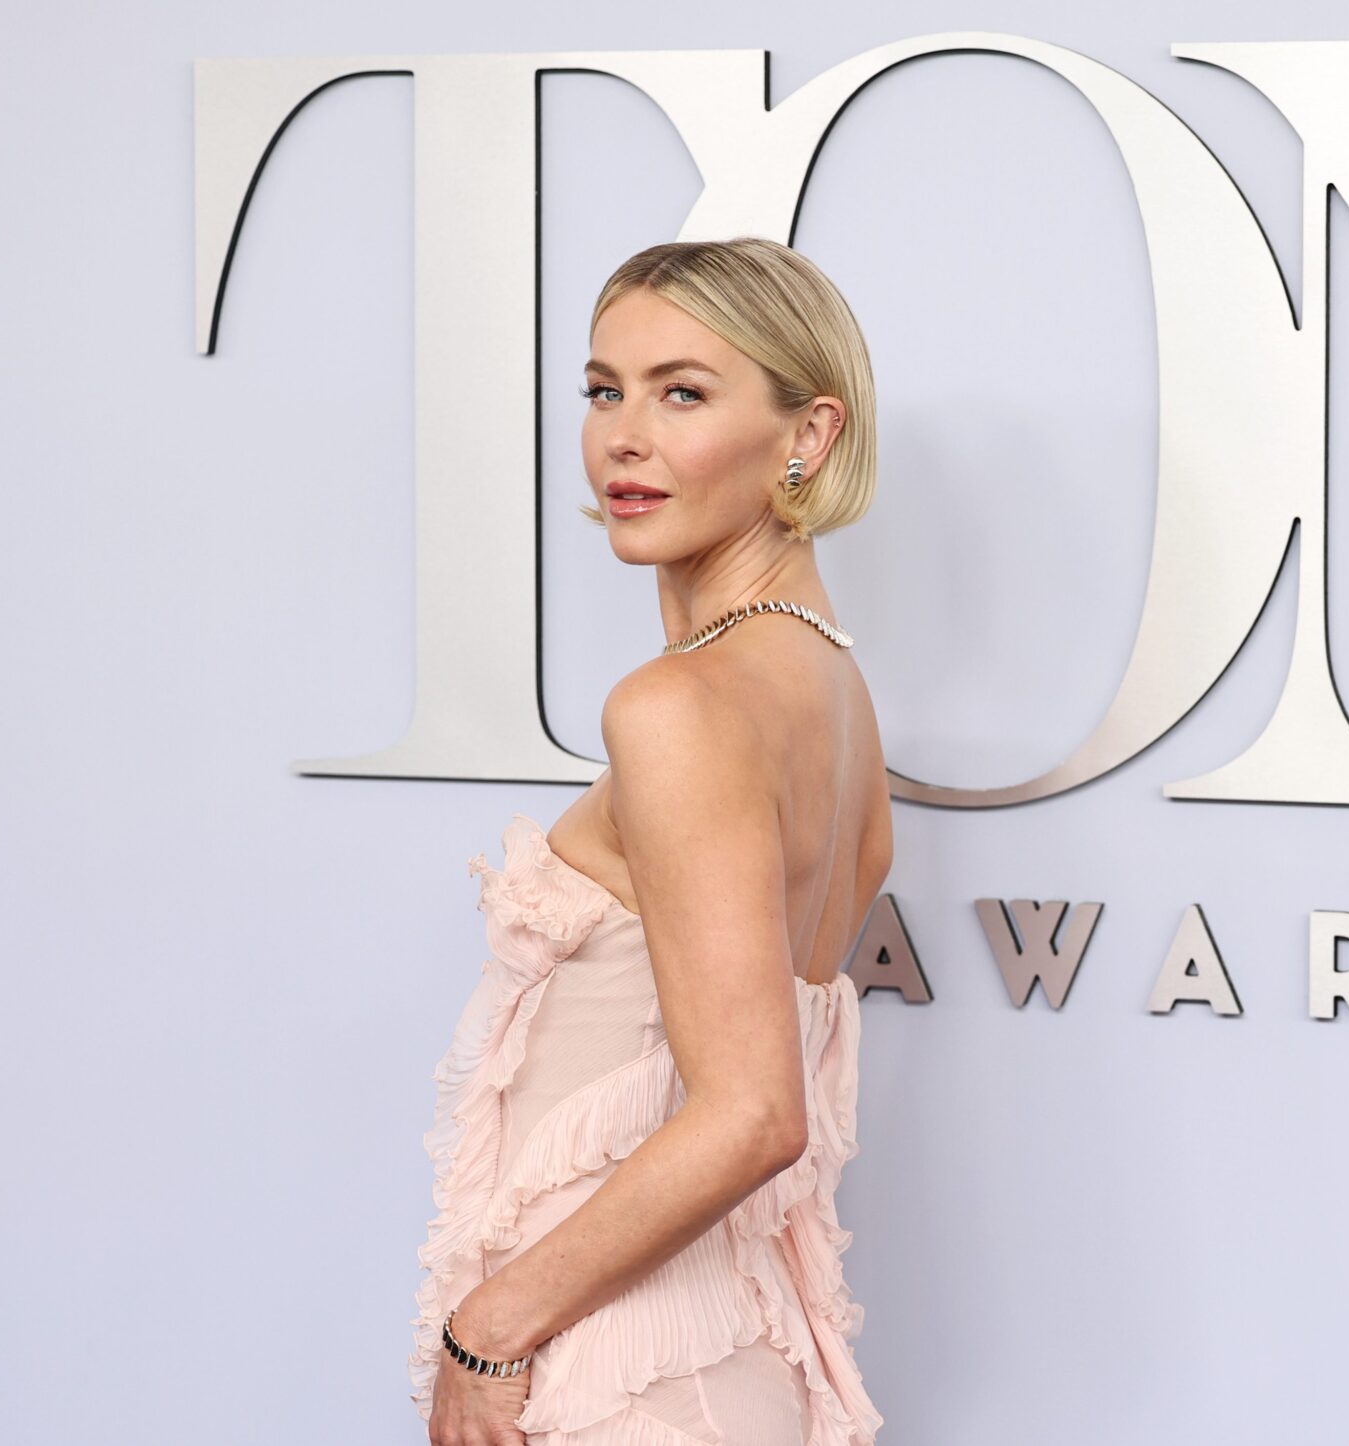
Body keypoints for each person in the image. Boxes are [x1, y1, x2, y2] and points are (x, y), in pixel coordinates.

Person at [410, 237, 891, 1446]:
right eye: (602, 389)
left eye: (682, 392)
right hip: (724, 1358)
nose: (622, 435)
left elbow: (752, 1112)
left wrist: (491, 1327)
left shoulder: (677, 706)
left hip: (631, 1374)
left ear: (808, 435)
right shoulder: (833, 692)